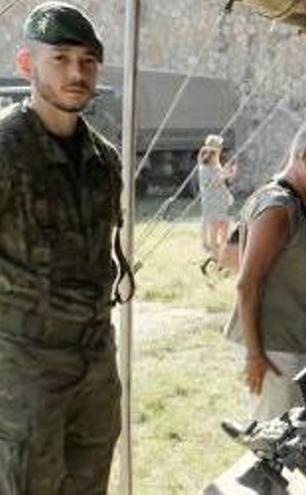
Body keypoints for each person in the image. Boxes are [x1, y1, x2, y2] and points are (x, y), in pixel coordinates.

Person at [0, 3, 129, 493]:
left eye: (89, 61)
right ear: (27, 65)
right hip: (25, 372)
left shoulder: (105, 159)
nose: (77, 73)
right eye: (61, 58)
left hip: (94, 363)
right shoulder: (7, 150)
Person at [225, 118, 306, 421]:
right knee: (276, 441)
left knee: (295, 439)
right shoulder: (277, 207)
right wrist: (255, 355)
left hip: (299, 345)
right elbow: (247, 285)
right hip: (276, 352)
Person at [197, 134, 236, 258]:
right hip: (211, 201)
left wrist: (231, 173)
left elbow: (224, 180)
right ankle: (213, 252)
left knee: (224, 226)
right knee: (213, 226)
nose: (220, 148)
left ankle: (221, 252)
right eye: (219, 146)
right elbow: (213, 183)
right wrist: (224, 175)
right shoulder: (204, 167)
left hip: (221, 201)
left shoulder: (217, 163)